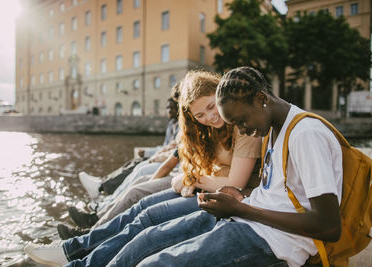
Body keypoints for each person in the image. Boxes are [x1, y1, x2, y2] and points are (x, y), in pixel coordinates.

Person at [105, 66, 343, 267]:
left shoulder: (305, 135)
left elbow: (328, 226)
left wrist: (243, 210)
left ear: (261, 99)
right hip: (247, 219)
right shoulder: (274, 129)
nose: (241, 130)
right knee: (149, 237)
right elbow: (282, 195)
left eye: (241, 121)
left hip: (275, 242)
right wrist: (239, 196)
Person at [24, 70, 261, 267]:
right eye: (200, 114)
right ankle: (74, 248)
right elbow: (193, 163)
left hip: (222, 195)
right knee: (140, 208)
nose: (210, 116)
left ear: (220, 96)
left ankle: (78, 256)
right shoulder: (209, 129)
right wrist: (191, 178)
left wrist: (193, 178)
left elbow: (235, 183)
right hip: (204, 189)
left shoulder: (241, 126)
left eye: (211, 107)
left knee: (147, 220)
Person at [65, 96, 179, 229]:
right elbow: (169, 147)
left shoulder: (183, 125)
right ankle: (103, 198)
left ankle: (100, 207)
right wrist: (150, 154)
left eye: (172, 107)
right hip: (170, 162)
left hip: (174, 167)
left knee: (140, 172)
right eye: (167, 107)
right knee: (135, 167)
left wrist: (151, 155)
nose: (169, 110)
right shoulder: (172, 124)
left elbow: (174, 151)